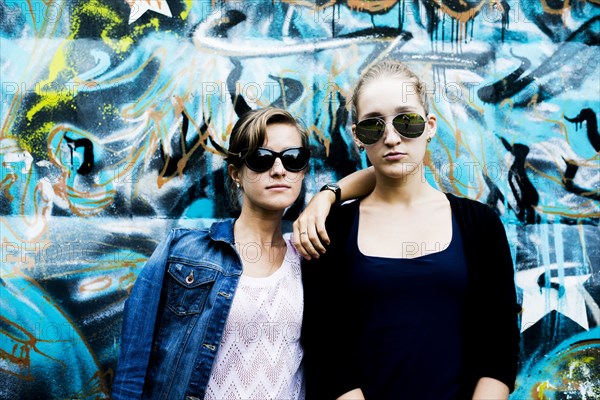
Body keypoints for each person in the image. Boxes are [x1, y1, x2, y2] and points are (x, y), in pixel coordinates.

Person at [111, 106, 374, 399]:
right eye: (261, 159)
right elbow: (132, 369)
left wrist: (328, 194)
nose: (278, 170)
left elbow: (394, 171)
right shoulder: (182, 251)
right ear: (236, 173)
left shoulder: (310, 259)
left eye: (293, 159)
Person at [295, 59, 521, 400]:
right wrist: (330, 196)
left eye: (407, 121)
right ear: (357, 137)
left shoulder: (480, 225)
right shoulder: (331, 230)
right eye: (373, 126)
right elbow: (327, 353)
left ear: (429, 125)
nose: (391, 137)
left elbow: (499, 345)